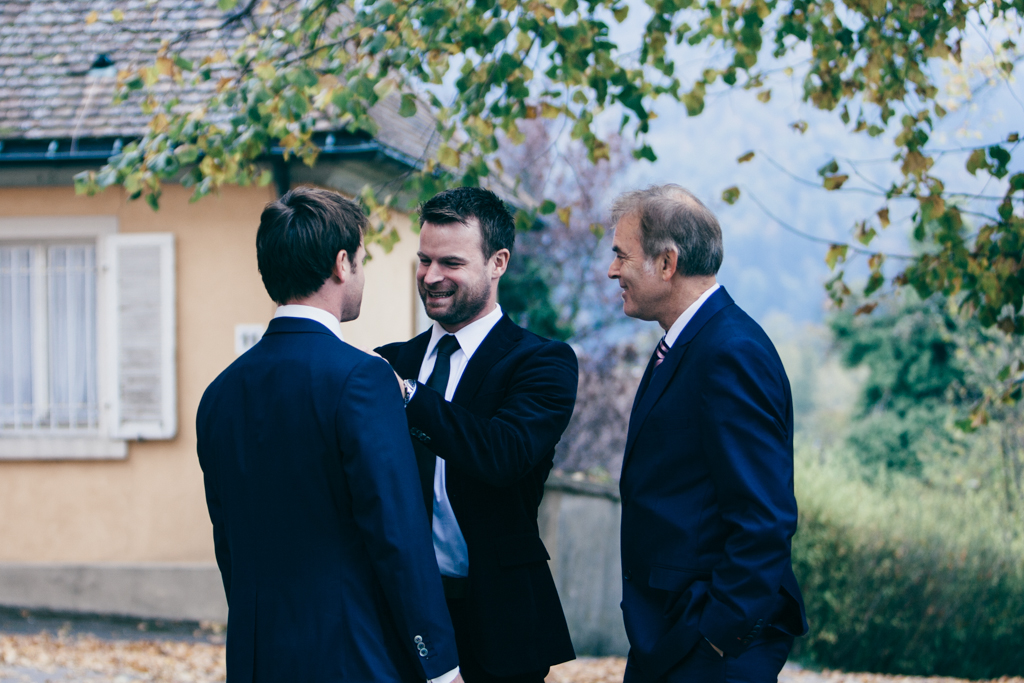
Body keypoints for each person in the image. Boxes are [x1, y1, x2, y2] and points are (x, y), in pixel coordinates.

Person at [196, 187, 462, 683]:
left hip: (257, 658)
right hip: (350, 658)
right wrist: (441, 665)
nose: (361, 272)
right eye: (361, 259)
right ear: (342, 264)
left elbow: (229, 544)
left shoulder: (219, 395)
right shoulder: (364, 379)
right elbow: (397, 536)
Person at [607, 185, 808, 683]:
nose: (613, 271)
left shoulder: (729, 353)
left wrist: (717, 637)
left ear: (667, 263)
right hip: (670, 637)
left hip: (706, 648)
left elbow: (764, 517)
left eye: (621, 255)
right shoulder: (689, 344)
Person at [376, 187, 577, 683]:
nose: (431, 276)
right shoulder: (389, 361)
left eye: (450, 262)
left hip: (501, 619)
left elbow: (502, 454)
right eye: (423, 260)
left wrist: (407, 397)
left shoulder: (541, 362)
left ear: (498, 263)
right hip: (404, 615)